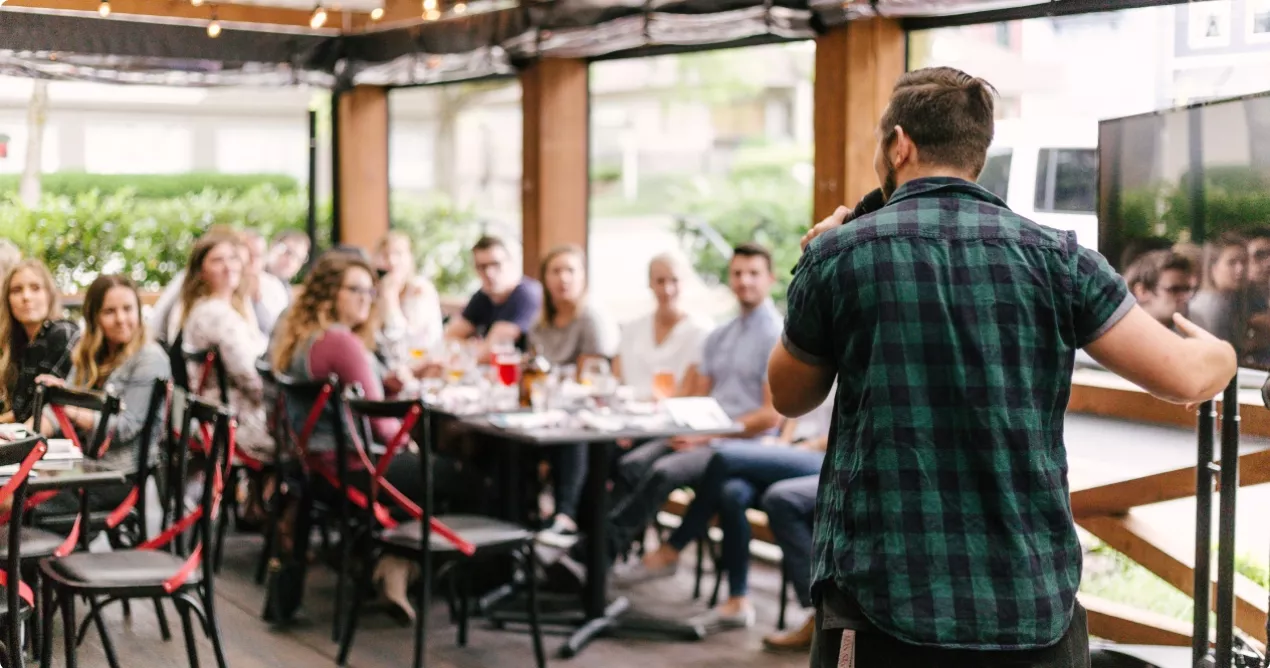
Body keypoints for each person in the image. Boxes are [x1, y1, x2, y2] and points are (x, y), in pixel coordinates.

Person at [769, 66, 1238, 666]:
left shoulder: (841, 252)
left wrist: (813, 263)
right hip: (1028, 605)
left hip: (884, 601)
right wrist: (1221, 350)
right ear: (976, 153)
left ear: (899, 144)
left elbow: (789, 394)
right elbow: (1187, 378)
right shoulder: (1060, 258)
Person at [272, 251, 447, 621]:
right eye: (355, 290)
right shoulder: (342, 342)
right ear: (329, 293)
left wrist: (384, 383)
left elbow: (345, 396)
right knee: (460, 477)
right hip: (356, 469)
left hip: (317, 471)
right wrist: (411, 445)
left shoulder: (303, 338)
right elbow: (382, 424)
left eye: (370, 290)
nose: (366, 298)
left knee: (436, 469)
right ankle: (409, 565)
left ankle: (390, 559)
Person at [606, 243, 783, 563]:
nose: (744, 281)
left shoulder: (776, 337)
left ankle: (599, 555)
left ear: (770, 279)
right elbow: (699, 396)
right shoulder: (721, 334)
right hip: (704, 434)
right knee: (629, 463)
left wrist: (709, 435)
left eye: (753, 274)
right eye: (738, 273)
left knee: (662, 471)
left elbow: (771, 416)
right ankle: (606, 548)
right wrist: (686, 427)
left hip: (741, 444)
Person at [617, 393, 835, 631]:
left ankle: (673, 546)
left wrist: (791, 447)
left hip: (815, 456)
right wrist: (780, 443)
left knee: (723, 458)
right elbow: (792, 414)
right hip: (783, 451)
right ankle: (738, 601)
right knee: (731, 493)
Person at [33, 274, 170, 516]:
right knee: (15, 487)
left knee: (19, 502)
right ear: (94, 317)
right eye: (110, 311)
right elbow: (57, 413)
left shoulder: (150, 358)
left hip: (119, 476)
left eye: (128, 309)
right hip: (83, 465)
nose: (121, 319)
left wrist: (70, 407)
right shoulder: (89, 352)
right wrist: (22, 441)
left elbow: (126, 428)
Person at [529, 245, 618, 544]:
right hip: (544, 412)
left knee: (572, 430)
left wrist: (551, 378)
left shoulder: (591, 318)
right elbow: (532, 372)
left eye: (570, 270)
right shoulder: (539, 324)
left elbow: (589, 375)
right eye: (556, 271)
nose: (563, 278)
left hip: (586, 413)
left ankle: (564, 517)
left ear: (583, 277)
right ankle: (521, 519)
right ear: (545, 279)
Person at [177, 231, 274, 465]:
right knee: (307, 445)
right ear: (201, 271)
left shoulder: (223, 308)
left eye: (232, 258)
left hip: (220, 417)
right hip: (232, 423)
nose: (228, 266)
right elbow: (249, 376)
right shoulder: (216, 314)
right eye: (217, 260)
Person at [613, 253, 711, 398]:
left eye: (674, 280)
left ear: (685, 283)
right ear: (650, 283)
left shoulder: (700, 330)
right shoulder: (632, 329)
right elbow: (616, 379)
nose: (667, 289)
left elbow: (690, 390)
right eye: (660, 281)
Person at [0, 259, 79, 425]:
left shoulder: (62, 333)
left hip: (52, 442)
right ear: (7, 300)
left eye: (35, 288)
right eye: (16, 290)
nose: (26, 297)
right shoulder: (19, 344)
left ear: (49, 295)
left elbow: (32, 411)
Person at [444, 235, 542, 353]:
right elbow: (448, 339)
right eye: (482, 267)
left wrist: (469, 346)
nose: (489, 272)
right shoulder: (483, 296)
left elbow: (491, 352)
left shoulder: (526, 294)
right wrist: (477, 346)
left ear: (510, 262)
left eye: (495, 264)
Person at [373, 231, 444, 370]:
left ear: (409, 258)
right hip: (391, 368)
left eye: (398, 254)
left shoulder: (420, 290)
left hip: (422, 367)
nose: (391, 261)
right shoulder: (378, 290)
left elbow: (405, 345)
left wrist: (390, 298)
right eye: (385, 255)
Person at [1188, 232, 1250, 347]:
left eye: (1244, 262)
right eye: (1232, 262)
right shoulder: (1209, 307)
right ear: (1213, 267)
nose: (1240, 269)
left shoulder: (1230, 299)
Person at [1122, 249, 1196, 327]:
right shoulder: (1119, 335)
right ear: (1142, 291)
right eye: (1174, 290)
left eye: (1186, 289)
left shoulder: (1194, 326)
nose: (1185, 297)